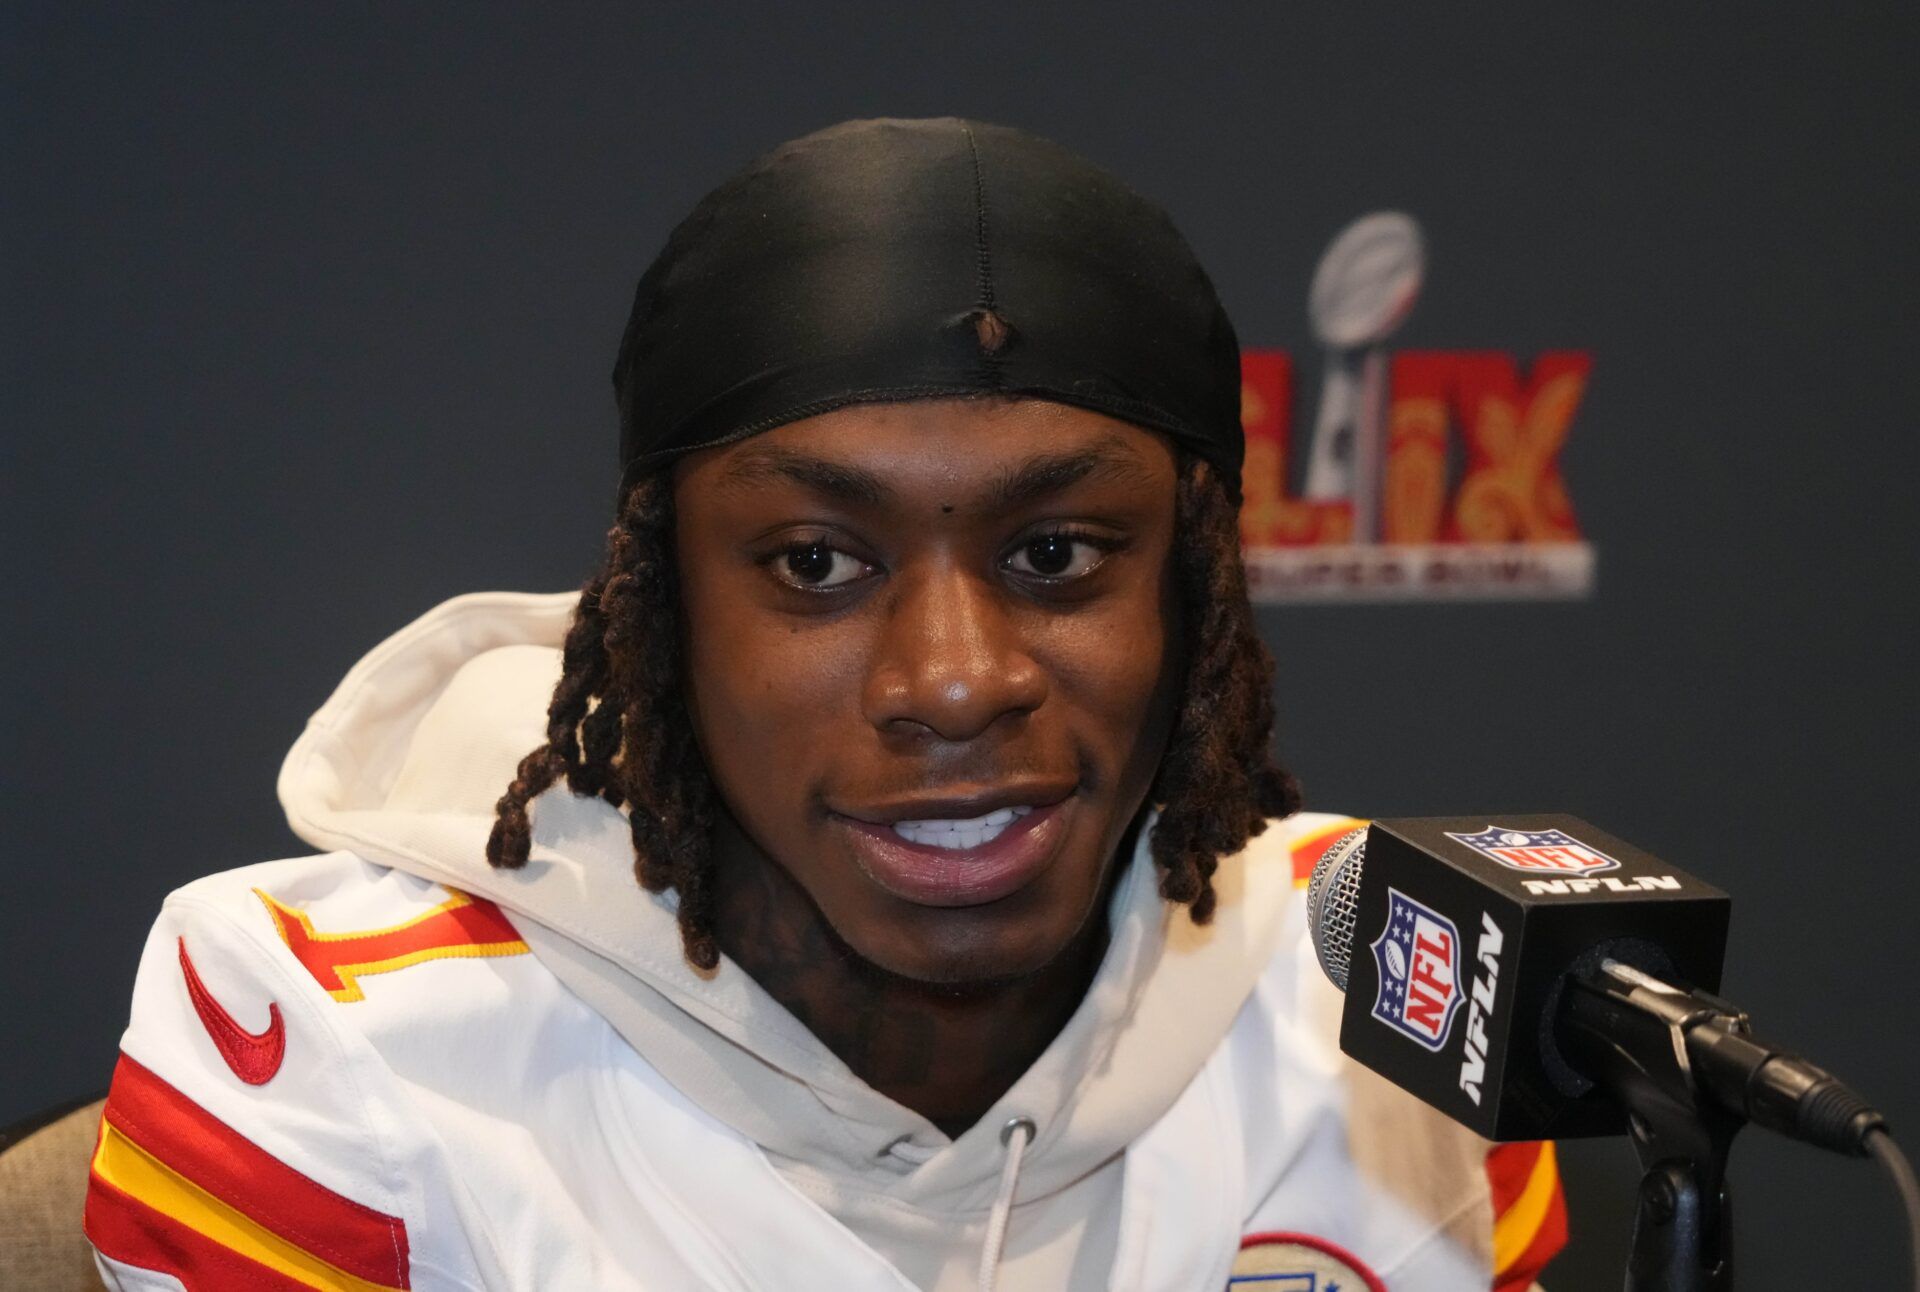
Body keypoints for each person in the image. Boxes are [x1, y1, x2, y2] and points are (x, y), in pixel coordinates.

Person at [81, 118, 1565, 1291]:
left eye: (1056, 555)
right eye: (816, 562)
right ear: (665, 611)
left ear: (1196, 594)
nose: (955, 679)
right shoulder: (343, 1054)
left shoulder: (1391, 999)